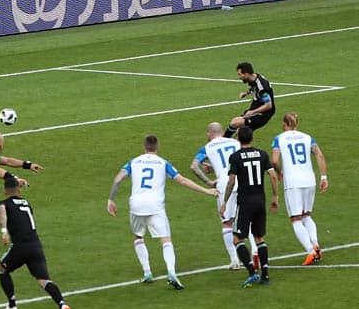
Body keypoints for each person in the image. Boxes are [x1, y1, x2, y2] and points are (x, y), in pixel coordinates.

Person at [106, 135, 218, 289]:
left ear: (144, 147)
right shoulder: (163, 163)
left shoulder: (134, 162)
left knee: (138, 236)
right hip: (154, 204)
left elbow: (118, 178)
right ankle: (171, 273)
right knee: (165, 239)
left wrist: (111, 199)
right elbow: (182, 180)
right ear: (157, 146)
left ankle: (147, 273)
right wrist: (206, 190)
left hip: (136, 204)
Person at [0, 176, 74, 309]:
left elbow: (3, 211)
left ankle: (12, 306)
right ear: (18, 190)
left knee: (2, 268)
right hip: (36, 246)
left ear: (5, 191)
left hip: (20, 246)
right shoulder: (26, 203)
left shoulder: (3, 204)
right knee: (44, 280)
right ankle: (62, 304)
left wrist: (3, 230)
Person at [221, 127, 280, 287]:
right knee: (259, 238)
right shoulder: (262, 154)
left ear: (238, 139)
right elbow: (273, 175)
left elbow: (231, 181)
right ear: (252, 138)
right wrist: (275, 197)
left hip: (245, 201)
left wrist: (225, 202)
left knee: (237, 238)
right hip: (260, 200)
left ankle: (252, 272)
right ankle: (265, 276)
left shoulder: (235, 157)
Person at [190, 122, 252, 270]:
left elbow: (194, 166)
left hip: (224, 185)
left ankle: (234, 260)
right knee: (245, 218)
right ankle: (255, 251)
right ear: (222, 131)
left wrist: (209, 182)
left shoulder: (208, 147)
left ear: (209, 135)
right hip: (241, 181)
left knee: (227, 222)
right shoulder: (235, 142)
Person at [271, 113, 329, 266]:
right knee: (307, 216)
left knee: (296, 219)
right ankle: (316, 245)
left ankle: (310, 251)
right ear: (296, 124)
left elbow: (274, 160)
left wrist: (279, 172)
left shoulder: (279, 138)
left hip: (293, 182)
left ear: (284, 124)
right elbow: (319, 155)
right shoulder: (308, 137)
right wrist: (323, 177)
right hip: (309, 180)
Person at [225, 62, 275, 138]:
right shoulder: (254, 78)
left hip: (263, 114)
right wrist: (246, 93)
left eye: (240, 74)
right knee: (240, 135)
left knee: (234, 123)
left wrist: (252, 112)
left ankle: (222, 142)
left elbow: (268, 105)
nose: (239, 77)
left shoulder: (262, 85)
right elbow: (253, 87)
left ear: (247, 74)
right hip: (255, 108)